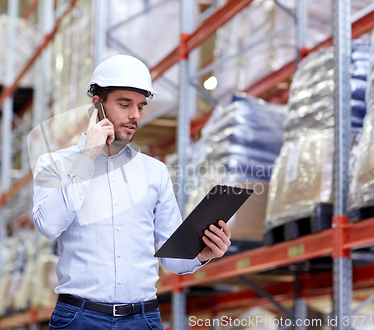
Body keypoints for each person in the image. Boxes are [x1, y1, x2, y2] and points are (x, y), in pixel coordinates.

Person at [33, 55, 231, 330]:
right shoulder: (54, 163)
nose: (135, 116)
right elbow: (48, 225)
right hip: (79, 318)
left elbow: (172, 259)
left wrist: (203, 253)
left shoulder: (155, 172)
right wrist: (87, 157)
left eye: (140, 106)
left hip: (143, 319)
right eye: (124, 104)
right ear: (97, 105)